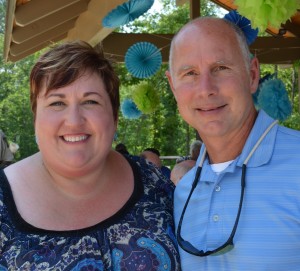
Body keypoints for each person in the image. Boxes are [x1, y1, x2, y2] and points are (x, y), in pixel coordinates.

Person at [0, 41, 181, 270]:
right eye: (57, 102)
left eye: (90, 101)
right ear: (36, 118)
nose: (74, 120)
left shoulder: (159, 187)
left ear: (114, 117)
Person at [166, 17, 300, 270]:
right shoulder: (185, 191)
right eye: (190, 73)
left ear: (252, 75)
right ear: (173, 87)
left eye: (221, 68)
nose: (206, 89)